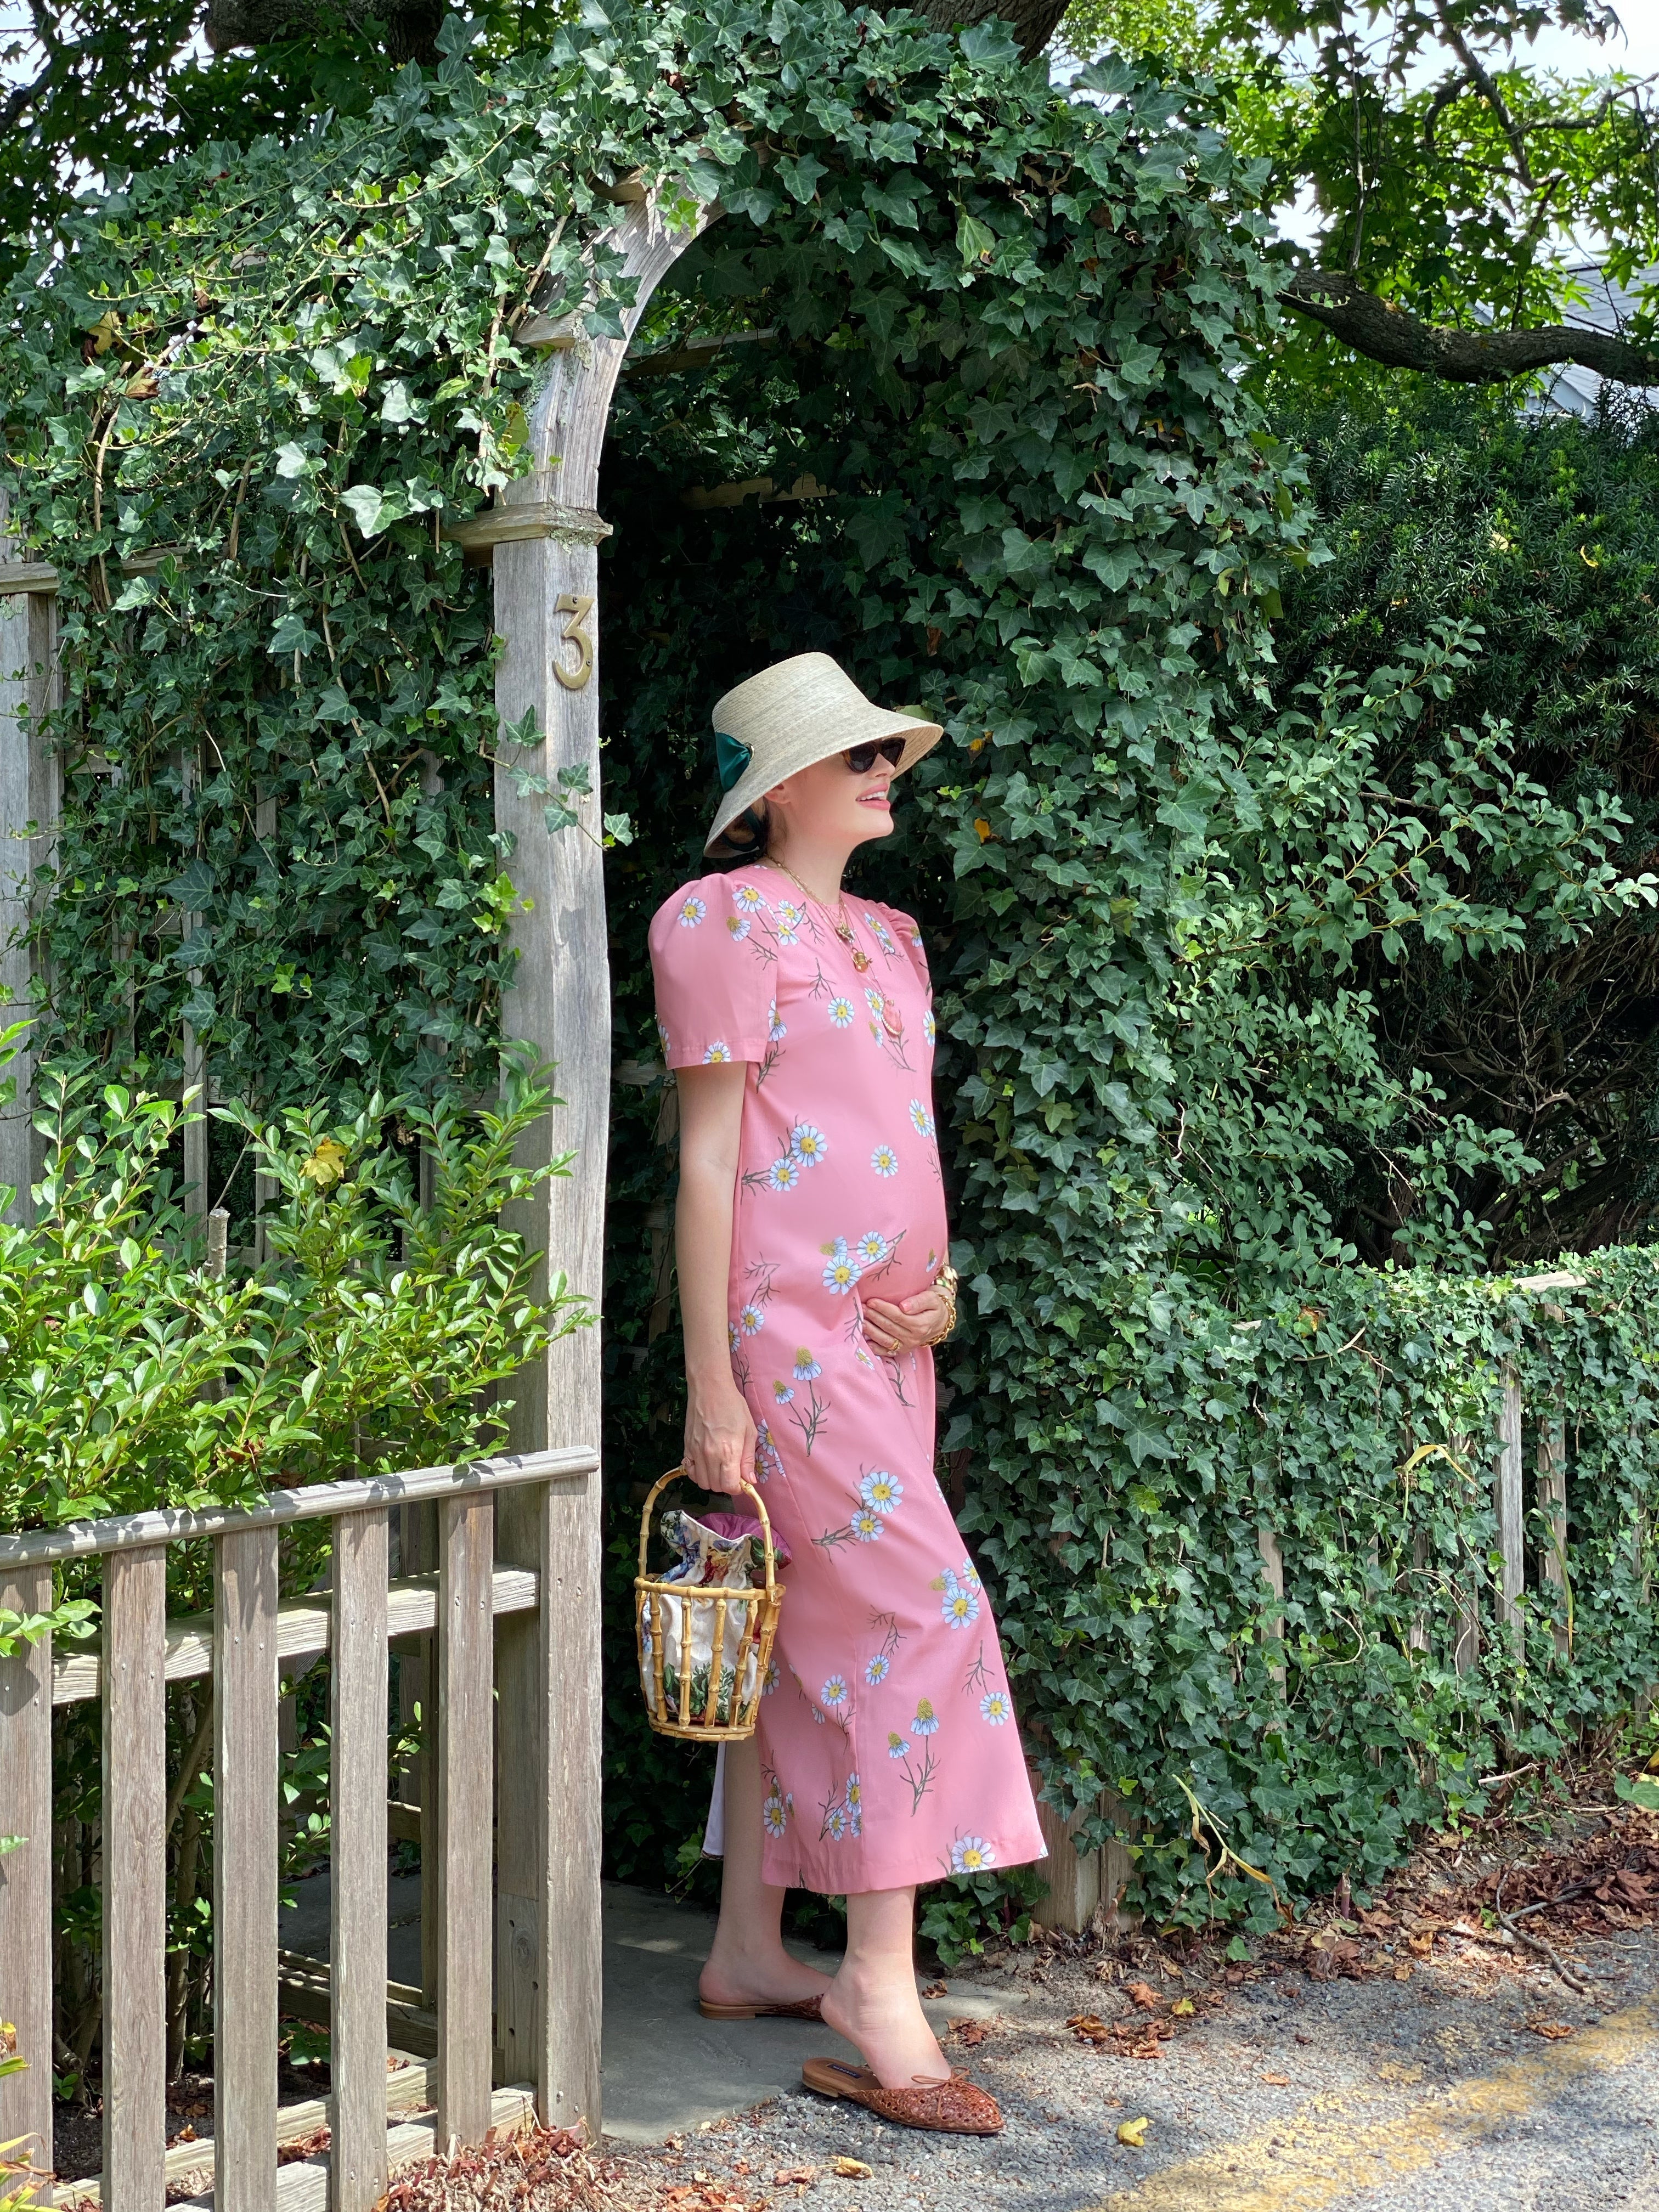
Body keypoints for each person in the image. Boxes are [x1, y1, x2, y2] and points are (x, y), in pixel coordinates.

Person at [647, 653, 1046, 2138]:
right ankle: (881, 1978)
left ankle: (752, 1949)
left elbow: (893, 1141)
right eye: (859, 752)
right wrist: (712, 1388)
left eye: (890, 750)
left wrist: (938, 1291)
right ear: (783, 786)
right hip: (786, 1347)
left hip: (893, 1353)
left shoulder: (889, 937)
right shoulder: (717, 922)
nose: (888, 769)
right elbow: (709, 1165)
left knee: (800, 1629)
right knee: (918, 1614)